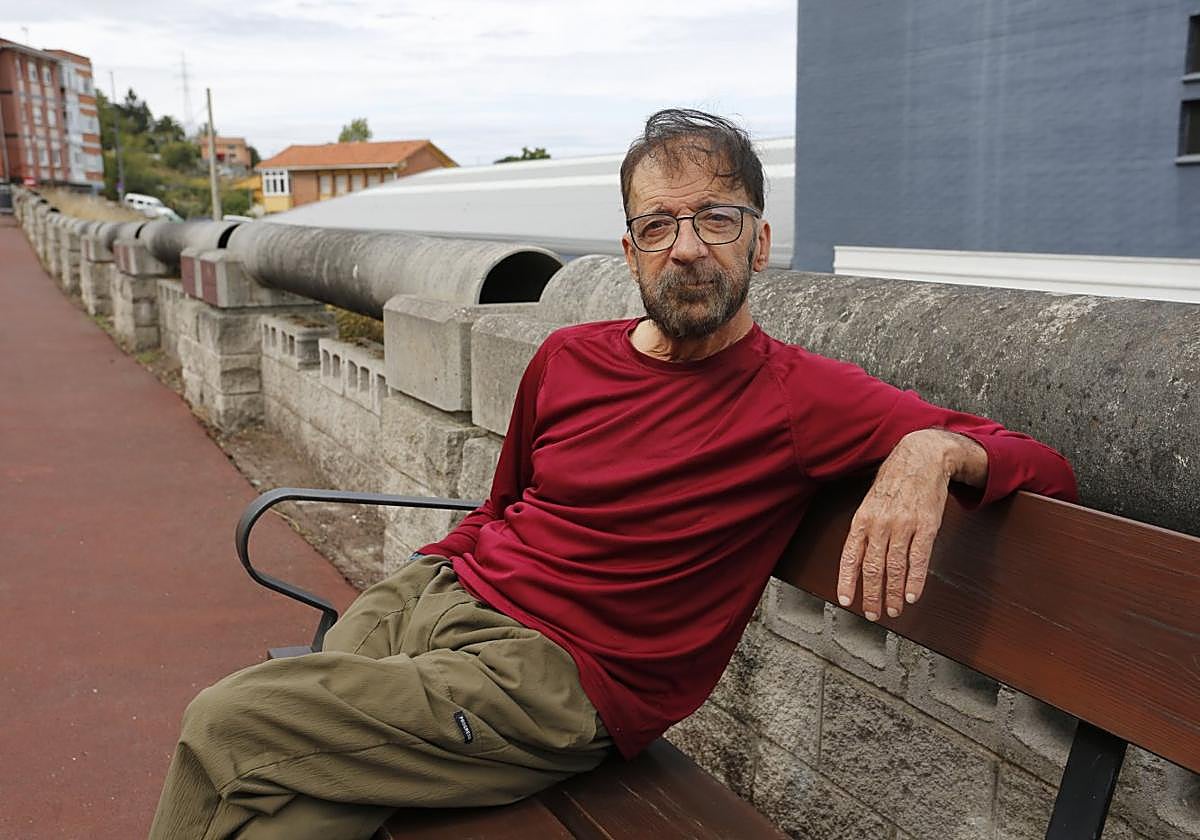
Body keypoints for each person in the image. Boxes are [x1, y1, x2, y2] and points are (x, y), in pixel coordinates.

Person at [149, 109, 1077, 839]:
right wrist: (439, 569)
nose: (687, 246)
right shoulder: (568, 356)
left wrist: (931, 447)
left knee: (230, 723)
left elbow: (1048, 464)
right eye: (659, 224)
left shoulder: (802, 399)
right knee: (293, 797)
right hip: (440, 595)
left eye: (716, 218)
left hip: (551, 681)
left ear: (758, 241)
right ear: (628, 249)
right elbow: (506, 501)